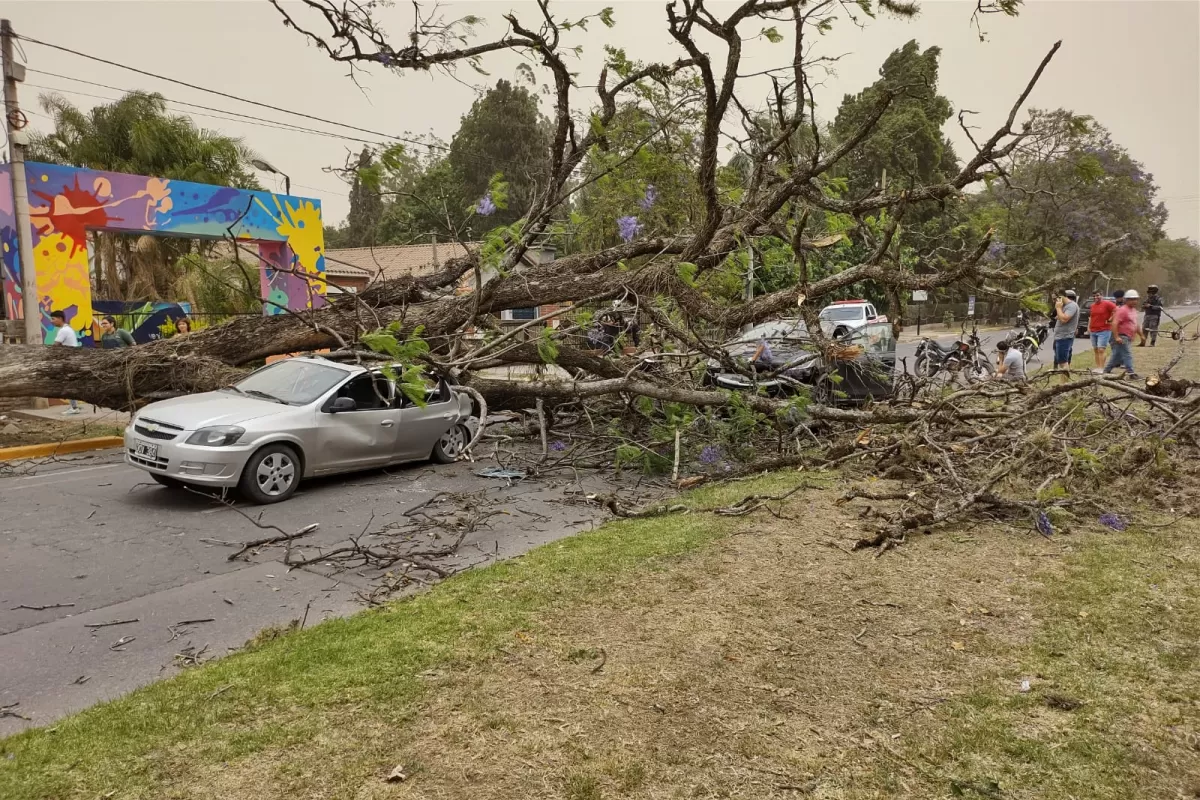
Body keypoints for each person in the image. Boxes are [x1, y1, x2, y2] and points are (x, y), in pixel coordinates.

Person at [50, 310, 83, 415]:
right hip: (72, 359)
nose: (52, 321)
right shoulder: (68, 329)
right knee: (71, 384)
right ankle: (74, 406)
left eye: (53, 319)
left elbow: (55, 346)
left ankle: (74, 407)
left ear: (60, 318)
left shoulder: (63, 330)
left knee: (69, 384)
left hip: (69, 361)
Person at [1103, 289, 1140, 379]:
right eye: (1131, 299)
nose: (1134, 301)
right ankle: (1131, 373)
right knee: (1127, 354)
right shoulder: (1122, 310)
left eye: (1135, 299)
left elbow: (1135, 324)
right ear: (1126, 300)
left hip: (1128, 336)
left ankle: (1106, 370)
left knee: (1116, 355)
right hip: (1122, 335)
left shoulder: (1133, 310)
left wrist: (1140, 335)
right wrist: (1116, 337)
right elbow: (1114, 323)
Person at [1051, 289, 1080, 379]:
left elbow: (1064, 319)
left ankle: (1064, 384)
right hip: (1060, 336)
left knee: (1063, 363)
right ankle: (1064, 382)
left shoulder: (1072, 306)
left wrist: (1058, 308)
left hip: (1065, 337)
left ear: (1061, 297)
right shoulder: (1064, 306)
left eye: (1055, 299)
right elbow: (1058, 317)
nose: (1054, 301)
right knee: (1062, 361)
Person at [1086, 290, 1117, 370]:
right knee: (1096, 349)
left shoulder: (1107, 303)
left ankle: (1101, 368)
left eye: (1097, 295)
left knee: (1101, 349)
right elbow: (1091, 317)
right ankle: (1098, 367)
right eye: (1094, 296)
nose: (1096, 297)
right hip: (1093, 330)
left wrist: (1111, 319)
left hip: (1104, 330)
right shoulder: (1092, 305)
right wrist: (1088, 327)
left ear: (1101, 295)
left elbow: (1117, 310)